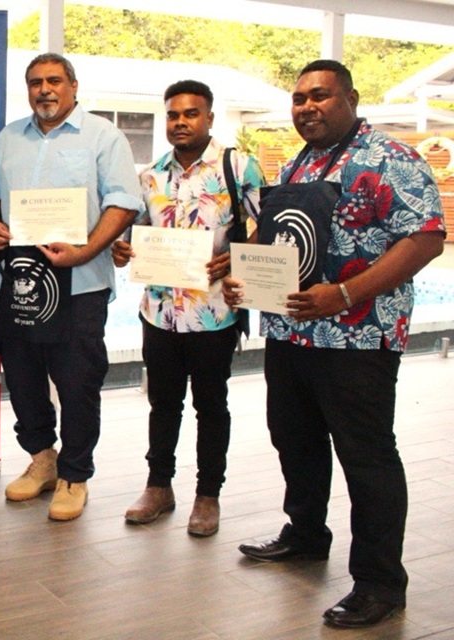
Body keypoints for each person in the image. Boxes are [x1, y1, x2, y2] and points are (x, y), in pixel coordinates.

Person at [223, 60, 445, 628]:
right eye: (298, 99)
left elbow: (426, 238)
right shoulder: (302, 162)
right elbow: (285, 242)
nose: (307, 107)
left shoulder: (389, 158)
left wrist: (344, 294)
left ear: (349, 97)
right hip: (292, 331)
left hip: (358, 337)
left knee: (366, 458)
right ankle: (305, 533)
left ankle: (379, 582)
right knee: (293, 438)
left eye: (319, 96)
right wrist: (244, 274)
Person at [0, 52, 143, 521]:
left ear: (73, 85)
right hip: (20, 280)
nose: (44, 90)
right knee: (24, 379)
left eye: (54, 80)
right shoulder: (9, 138)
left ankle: (74, 474)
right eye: (35, 82)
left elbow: (124, 202)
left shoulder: (103, 137)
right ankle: (42, 460)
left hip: (80, 282)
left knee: (77, 383)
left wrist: (87, 250)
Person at [112, 80, 265, 537]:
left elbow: (267, 226)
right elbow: (134, 232)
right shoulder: (151, 176)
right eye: (173, 115)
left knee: (211, 405)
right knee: (163, 403)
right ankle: (159, 487)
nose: (180, 122)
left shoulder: (238, 166)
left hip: (215, 311)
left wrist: (238, 257)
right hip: (159, 311)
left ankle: (208, 494)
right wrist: (122, 249)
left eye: (191, 114)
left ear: (209, 118)